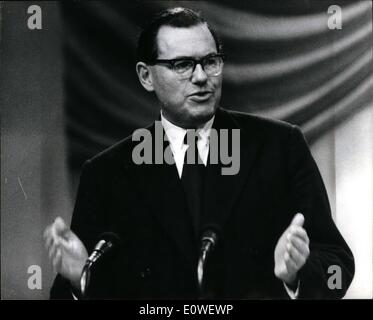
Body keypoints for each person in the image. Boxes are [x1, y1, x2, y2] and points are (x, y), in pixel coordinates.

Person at [44, 7, 354, 299]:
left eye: (210, 61)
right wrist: (76, 279)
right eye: (182, 65)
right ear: (146, 76)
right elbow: (76, 291)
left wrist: (295, 274)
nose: (201, 77)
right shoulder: (107, 173)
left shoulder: (280, 146)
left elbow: (338, 265)